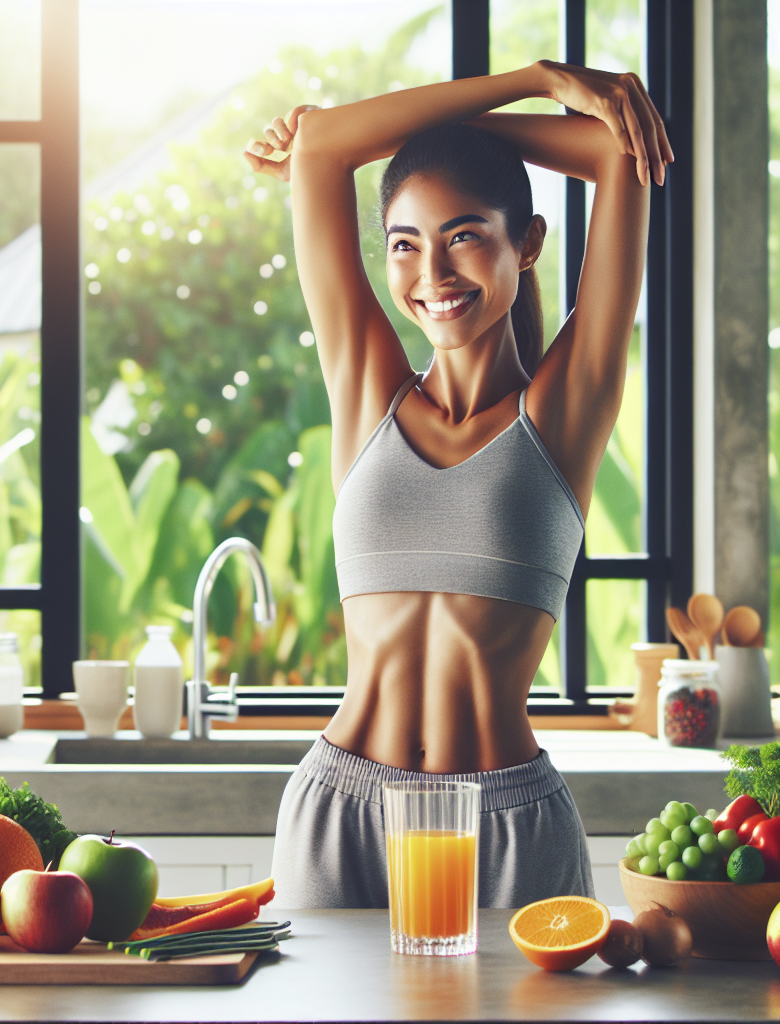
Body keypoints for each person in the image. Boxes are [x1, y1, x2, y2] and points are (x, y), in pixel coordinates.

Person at [243, 60, 672, 910]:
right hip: (341, 814)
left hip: (505, 829)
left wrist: (460, 138)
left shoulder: (564, 410)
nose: (432, 273)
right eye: (405, 243)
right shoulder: (365, 387)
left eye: (466, 234)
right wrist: (535, 78)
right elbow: (323, 147)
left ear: (529, 242)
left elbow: (617, 157)